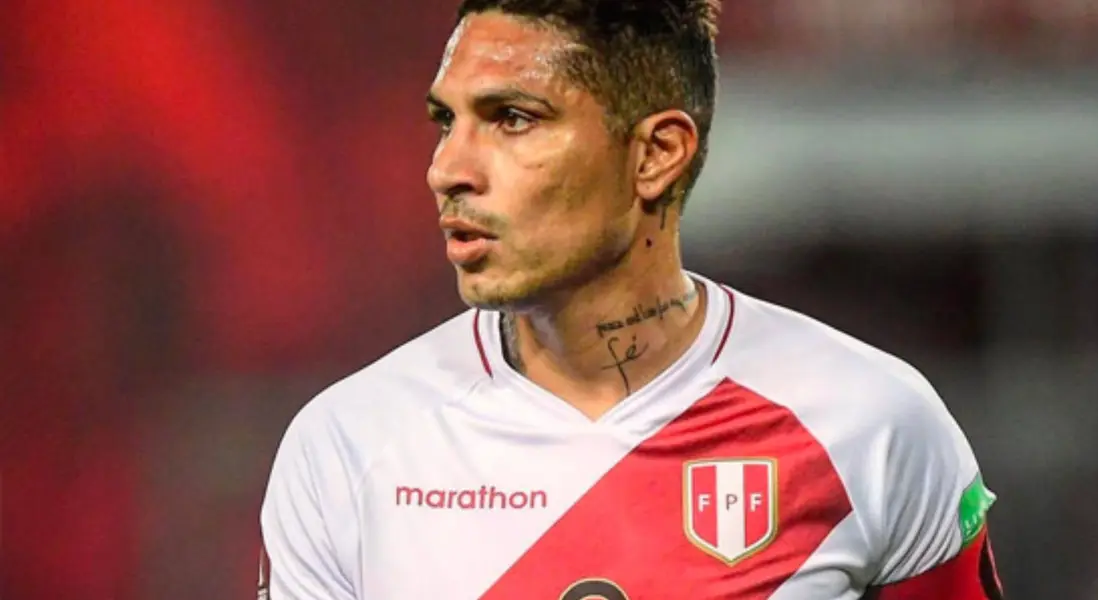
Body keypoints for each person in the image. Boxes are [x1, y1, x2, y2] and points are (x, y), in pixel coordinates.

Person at [259, 1, 1004, 598]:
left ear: (656, 154)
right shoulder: (348, 446)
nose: (447, 169)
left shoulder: (872, 424)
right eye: (447, 122)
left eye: (512, 118)